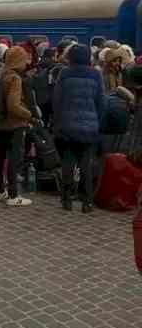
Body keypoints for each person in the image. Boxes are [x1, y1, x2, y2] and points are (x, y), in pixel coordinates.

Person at [53, 44, 104, 213]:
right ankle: (87, 201)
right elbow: (100, 101)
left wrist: (57, 121)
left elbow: (57, 100)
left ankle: (66, 200)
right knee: (86, 165)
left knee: (67, 163)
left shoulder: (64, 73)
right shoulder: (96, 74)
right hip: (89, 126)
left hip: (67, 125)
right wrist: (97, 121)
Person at [0, 46, 33, 206]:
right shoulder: (15, 78)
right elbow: (13, 105)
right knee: (14, 158)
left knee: (0, 157)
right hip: (15, 124)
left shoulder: (1, 74)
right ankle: (13, 195)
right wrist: (28, 114)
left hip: (1, 123)